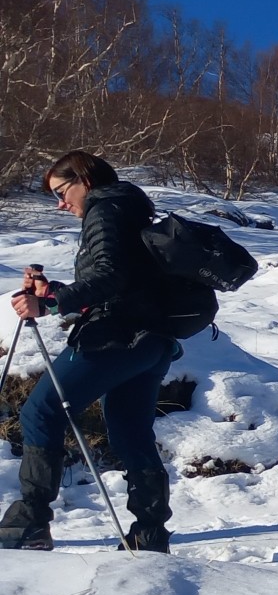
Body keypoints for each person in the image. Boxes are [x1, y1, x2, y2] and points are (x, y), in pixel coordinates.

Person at [1, 152, 178, 552]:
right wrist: (54, 292)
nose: (61, 204)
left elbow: (109, 278)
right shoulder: (131, 209)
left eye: (61, 192)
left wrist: (49, 304)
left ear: (84, 180)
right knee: (131, 431)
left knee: (41, 410)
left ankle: (30, 522)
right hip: (153, 341)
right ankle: (150, 533)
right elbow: (121, 282)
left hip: (115, 338)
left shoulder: (105, 209)